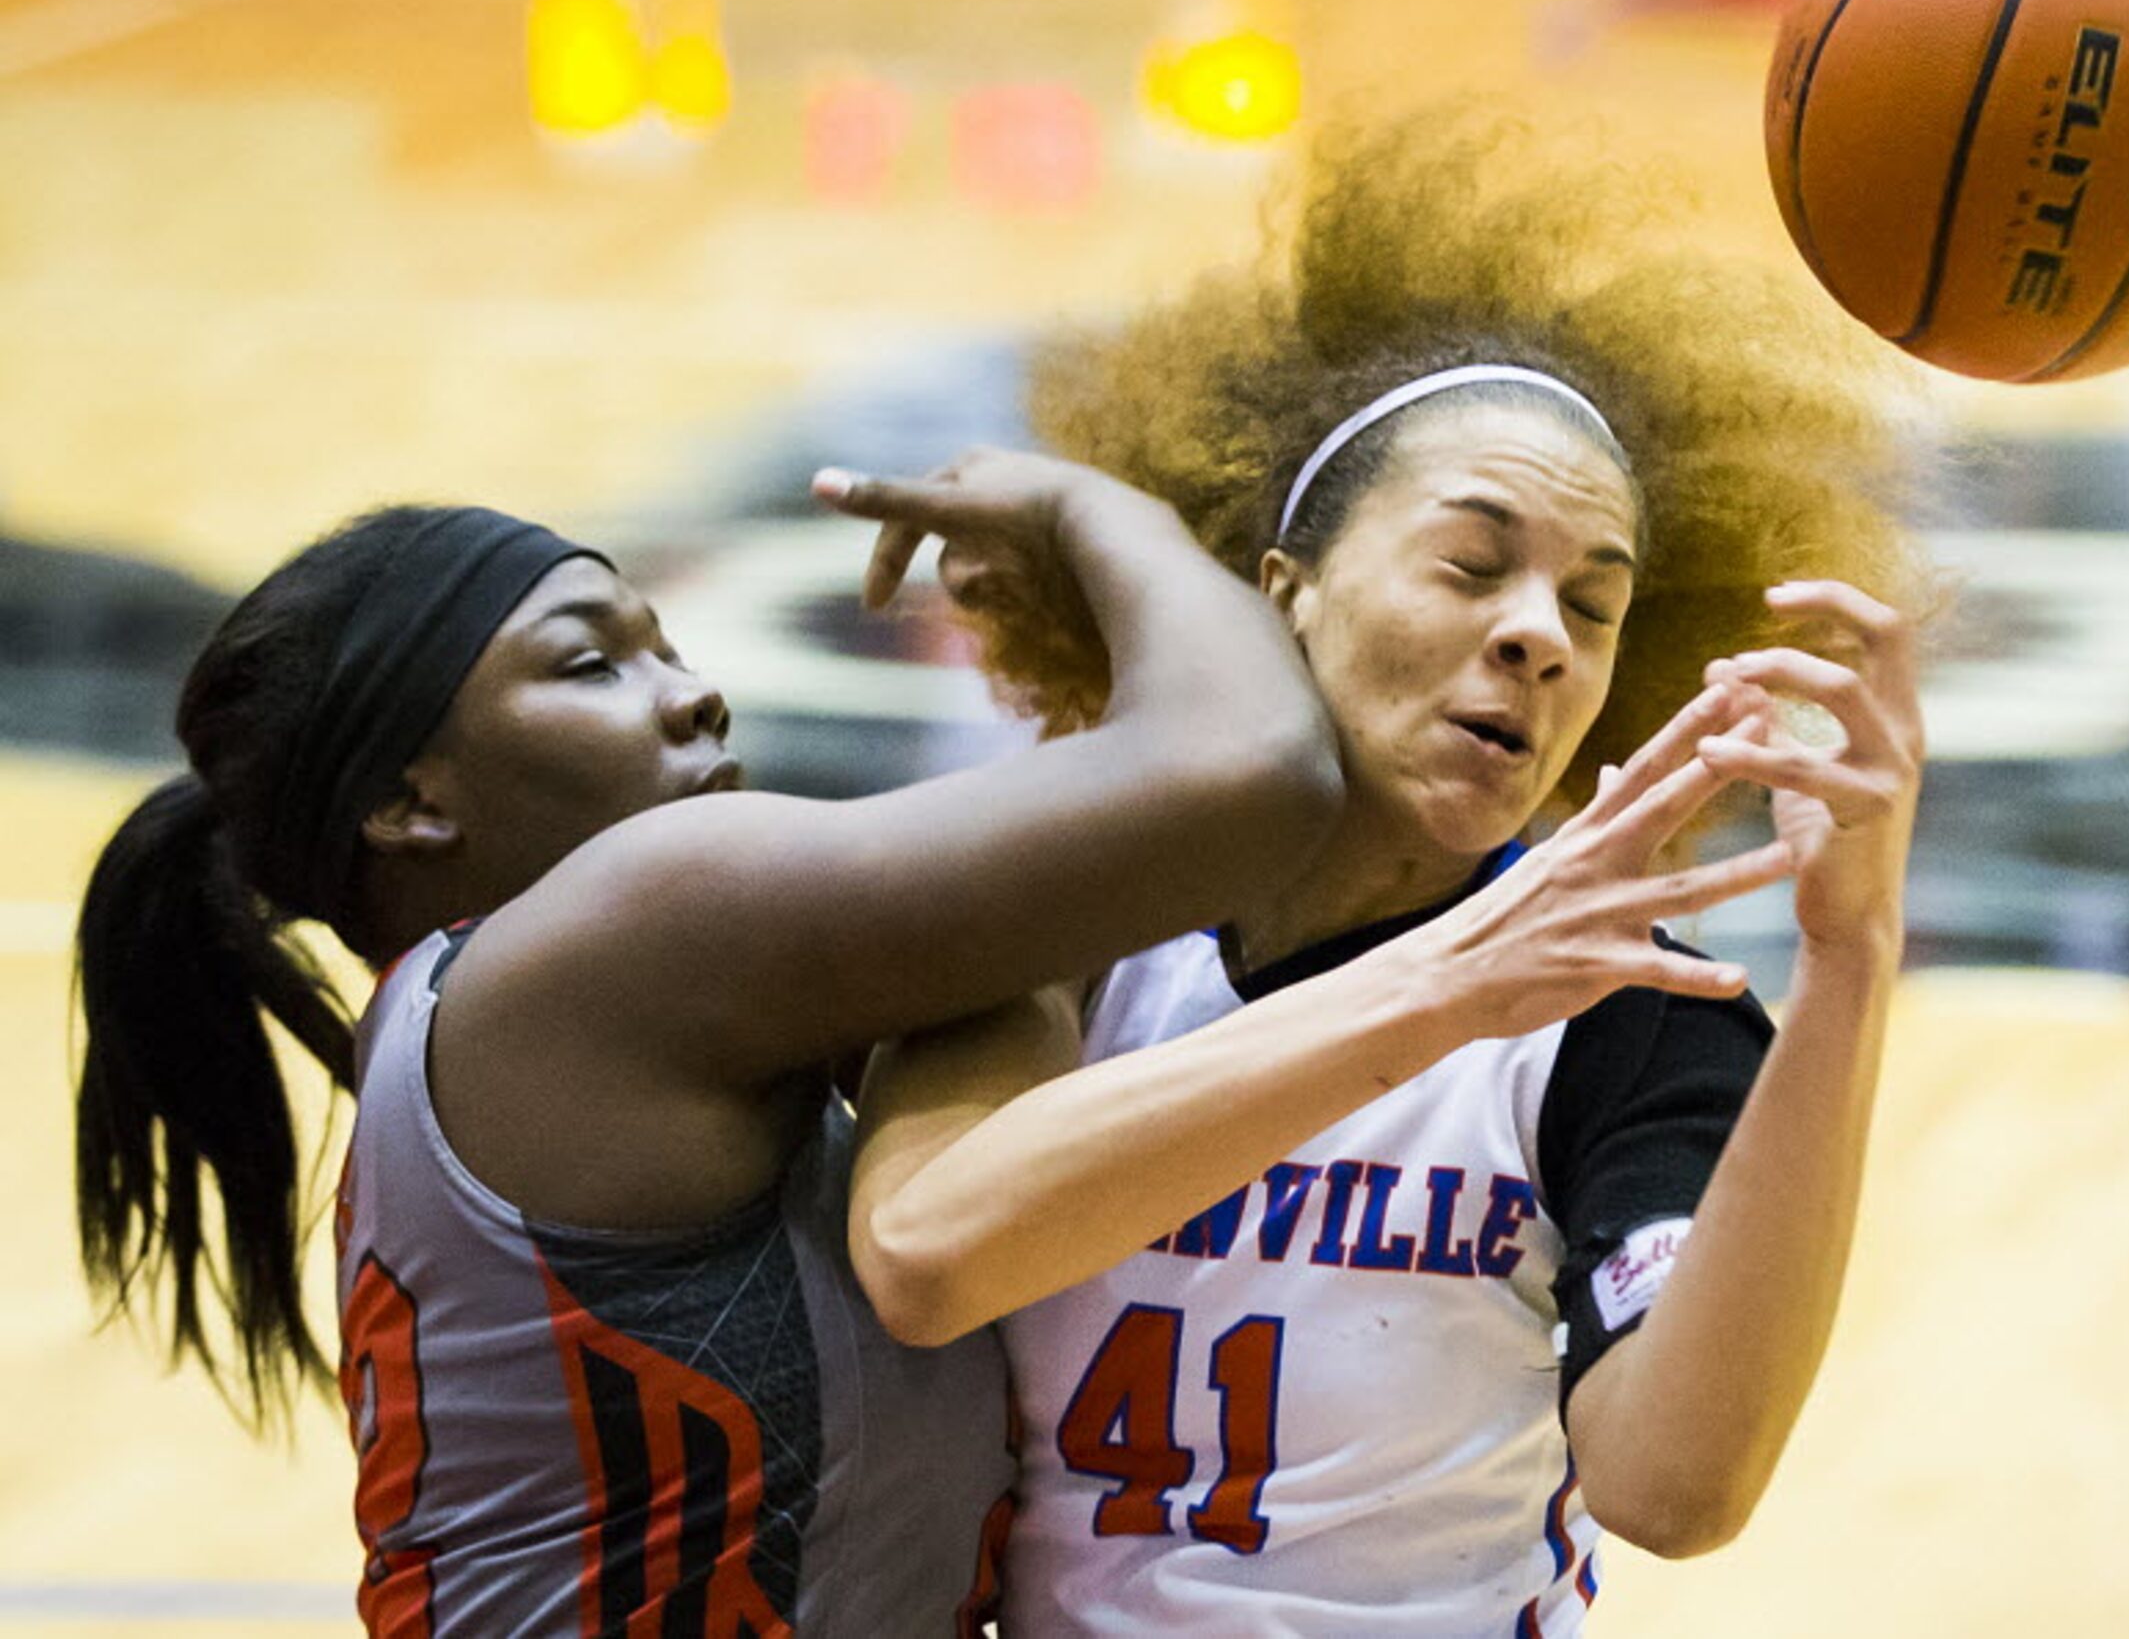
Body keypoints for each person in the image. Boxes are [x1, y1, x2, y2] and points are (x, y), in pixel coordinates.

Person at [71, 451, 1788, 1633]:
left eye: (668, 641)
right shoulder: (625, 936)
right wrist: (1088, 502)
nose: (693, 695)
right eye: (589, 665)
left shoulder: (608, 1011)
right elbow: (1245, 780)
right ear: (407, 801)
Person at [854, 115, 1927, 1633]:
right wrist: (1437, 990)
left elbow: (1675, 1488)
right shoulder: (1079, 915)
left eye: (1595, 606)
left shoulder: (1628, 1011)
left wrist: (1853, 961)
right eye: (1473, 564)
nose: (1541, 632)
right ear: (1279, 590)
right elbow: (925, 1254)